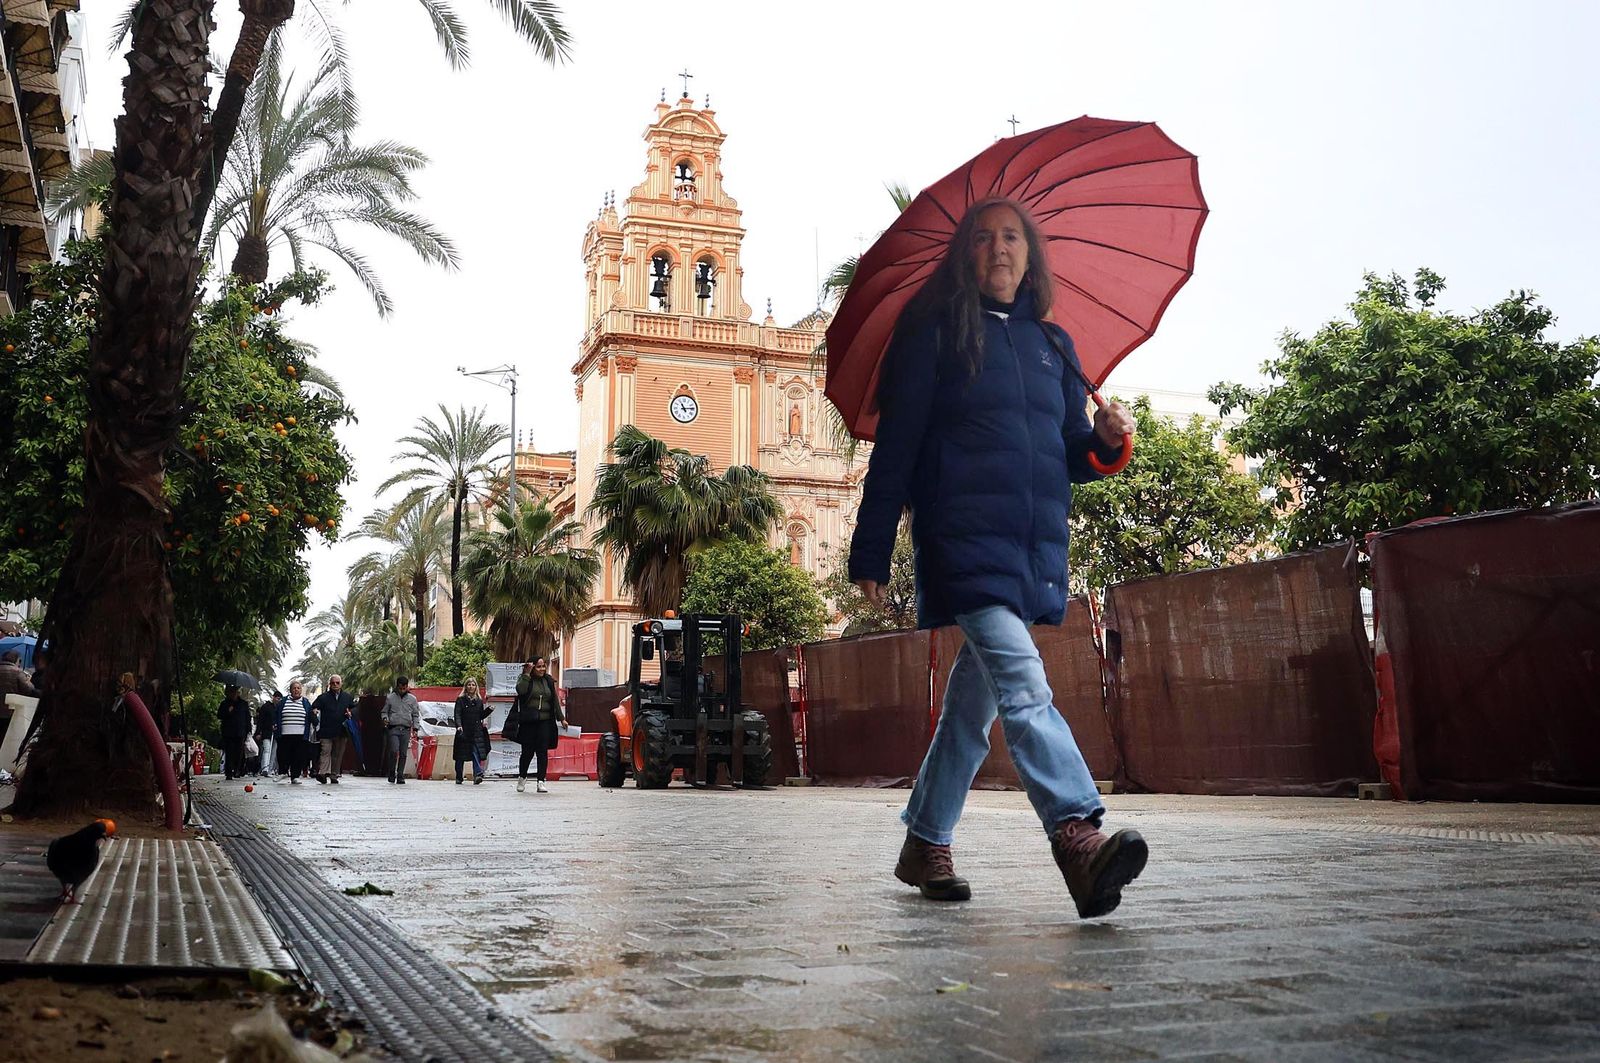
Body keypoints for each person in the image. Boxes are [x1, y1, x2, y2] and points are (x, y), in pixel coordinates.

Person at [848, 197, 1146, 919]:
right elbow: (899, 447)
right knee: (1023, 683)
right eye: (982, 238)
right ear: (965, 256)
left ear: (1031, 254)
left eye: (1011, 236)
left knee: (969, 713)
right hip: (962, 539)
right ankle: (1076, 831)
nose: (999, 248)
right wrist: (871, 545)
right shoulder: (935, 335)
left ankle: (925, 839)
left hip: (1031, 546)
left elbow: (1068, 454)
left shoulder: (1055, 347)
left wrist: (1107, 437)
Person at [512, 657, 566, 793]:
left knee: (542, 751)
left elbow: (554, 700)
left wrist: (562, 718)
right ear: (532, 667)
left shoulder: (548, 680)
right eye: (538, 667)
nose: (542, 669)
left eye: (543, 666)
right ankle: (522, 778)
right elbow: (521, 691)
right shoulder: (525, 679)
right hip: (529, 721)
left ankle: (541, 781)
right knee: (527, 752)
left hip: (545, 721)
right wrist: (526, 674)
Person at [312, 674, 356, 784]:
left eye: (337, 682)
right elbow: (313, 708)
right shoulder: (323, 698)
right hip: (326, 731)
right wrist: (315, 715)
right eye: (333, 683)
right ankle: (323, 773)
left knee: (338, 754)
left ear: (341, 684)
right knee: (325, 752)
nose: (335, 685)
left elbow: (355, 709)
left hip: (341, 731)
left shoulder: (347, 697)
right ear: (329, 684)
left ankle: (334, 775)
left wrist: (351, 713)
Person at [274, 679, 315, 784]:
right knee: (283, 754)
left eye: (298, 688)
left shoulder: (305, 702)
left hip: (300, 734)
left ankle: (295, 776)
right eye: (294, 688)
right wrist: (274, 725)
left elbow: (310, 716)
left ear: (301, 690)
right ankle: (282, 772)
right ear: (290, 690)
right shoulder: (283, 701)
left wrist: (314, 715)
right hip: (284, 734)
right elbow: (276, 714)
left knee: (298, 756)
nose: (296, 690)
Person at [382, 675, 421, 784]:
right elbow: (384, 711)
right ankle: (391, 772)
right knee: (394, 750)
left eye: (404, 688)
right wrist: (385, 718)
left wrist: (416, 728)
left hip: (406, 729)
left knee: (403, 753)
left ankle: (400, 775)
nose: (402, 690)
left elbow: (415, 715)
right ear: (397, 686)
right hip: (393, 728)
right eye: (400, 688)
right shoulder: (390, 698)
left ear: (407, 687)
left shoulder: (412, 699)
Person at [451, 677, 490, 785]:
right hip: (463, 731)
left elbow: (480, 715)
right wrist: (459, 726)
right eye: (469, 685)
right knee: (460, 756)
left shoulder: (478, 701)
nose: (471, 687)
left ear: (475, 687)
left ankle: (477, 774)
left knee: (475, 752)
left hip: (475, 731)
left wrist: (489, 711)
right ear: (466, 687)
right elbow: (457, 714)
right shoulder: (461, 700)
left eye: (473, 685)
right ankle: (459, 776)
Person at [217, 684, 253, 780]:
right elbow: (219, 715)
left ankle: (237, 770)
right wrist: (228, 711)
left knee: (239, 753)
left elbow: (247, 717)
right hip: (228, 732)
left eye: (235, 692)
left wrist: (248, 730)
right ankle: (229, 772)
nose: (233, 694)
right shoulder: (225, 703)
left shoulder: (243, 704)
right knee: (229, 752)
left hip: (240, 732)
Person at [254, 690, 280, 776]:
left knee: (274, 752)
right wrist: (258, 732)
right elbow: (260, 721)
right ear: (273, 697)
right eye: (277, 698)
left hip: (276, 733)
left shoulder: (279, 708)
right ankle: (264, 768)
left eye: (280, 699)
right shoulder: (266, 707)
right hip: (266, 733)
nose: (278, 700)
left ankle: (270, 769)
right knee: (267, 749)